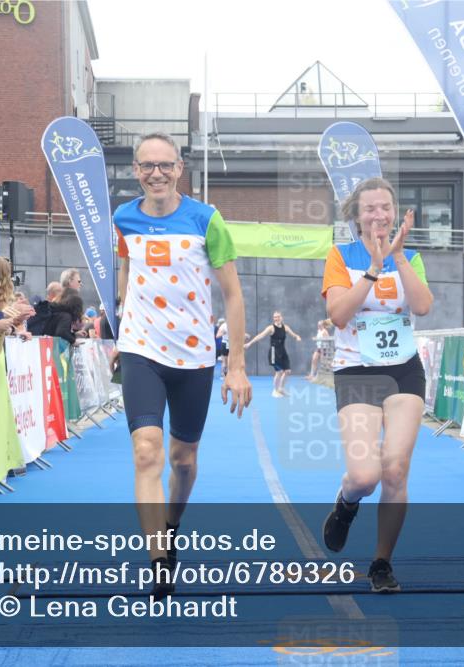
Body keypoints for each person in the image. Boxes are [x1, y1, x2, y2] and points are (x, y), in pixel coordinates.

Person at [110, 131, 252, 599]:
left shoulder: (206, 219)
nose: (156, 173)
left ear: (179, 169)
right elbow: (126, 272)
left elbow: (232, 294)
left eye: (165, 165)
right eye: (147, 166)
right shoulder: (123, 218)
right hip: (141, 349)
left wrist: (236, 364)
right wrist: (120, 330)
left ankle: (172, 525)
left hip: (194, 356)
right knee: (146, 452)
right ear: (136, 171)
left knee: (182, 460)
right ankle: (157, 561)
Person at [320, 177, 433, 593]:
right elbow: (339, 315)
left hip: (404, 369)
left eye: (385, 207)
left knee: (396, 470)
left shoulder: (412, 257)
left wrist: (398, 258)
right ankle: (348, 501)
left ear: (395, 213)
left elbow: (422, 305)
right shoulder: (340, 256)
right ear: (356, 215)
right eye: (370, 209)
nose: (379, 215)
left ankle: (382, 562)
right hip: (358, 370)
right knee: (365, 476)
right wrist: (371, 269)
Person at [245, 311, 302, 397]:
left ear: (281, 317)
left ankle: (281, 389)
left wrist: (297, 337)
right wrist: (249, 343)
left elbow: (294, 335)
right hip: (274, 351)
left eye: (278, 317)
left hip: (283, 351)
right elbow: (260, 336)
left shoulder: (286, 327)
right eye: (275, 317)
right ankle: (275, 390)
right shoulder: (271, 328)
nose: (276, 318)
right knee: (279, 372)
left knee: (287, 371)